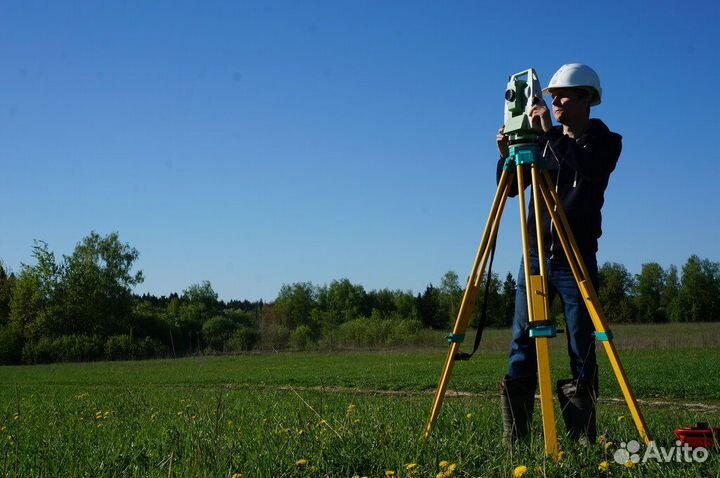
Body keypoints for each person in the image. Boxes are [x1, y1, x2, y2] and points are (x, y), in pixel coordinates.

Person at [495, 64, 622, 444]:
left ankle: (582, 439)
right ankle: (515, 439)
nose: (556, 101)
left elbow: (587, 169)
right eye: (552, 97)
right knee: (522, 342)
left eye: (564, 96)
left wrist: (548, 131)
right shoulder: (547, 142)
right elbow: (514, 190)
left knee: (580, 344)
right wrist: (506, 157)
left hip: (575, 258)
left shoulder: (605, 142)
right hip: (535, 256)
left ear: (587, 100)